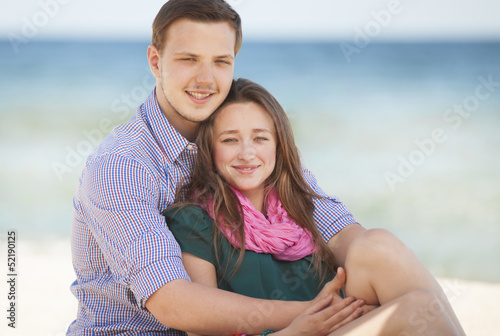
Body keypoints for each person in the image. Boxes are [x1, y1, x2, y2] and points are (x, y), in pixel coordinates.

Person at [68, 0, 465, 335]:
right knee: (409, 315)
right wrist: (310, 315)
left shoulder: (241, 136)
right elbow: (172, 304)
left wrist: (362, 279)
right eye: (188, 59)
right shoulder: (122, 166)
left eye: (221, 62)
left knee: (384, 255)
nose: (206, 79)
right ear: (156, 61)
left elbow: (335, 226)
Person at [165, 78, 465, 335]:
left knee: (377, 244)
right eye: (230, 140)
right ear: (209, 148)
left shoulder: (301, 206)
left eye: (260, 138)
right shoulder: (193, 220)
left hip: (332, 326)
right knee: (417, 308)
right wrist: (296, 328)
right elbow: (200, 328)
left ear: (278, 146)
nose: (247, 152)